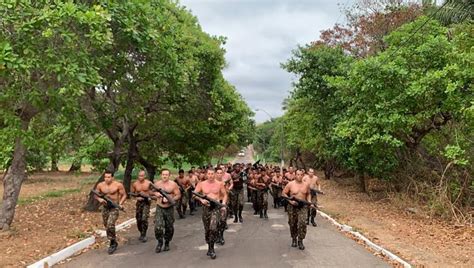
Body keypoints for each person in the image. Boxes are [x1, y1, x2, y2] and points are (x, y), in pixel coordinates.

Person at [193, 168, 228, 259]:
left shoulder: (219, 184)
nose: (210, 176)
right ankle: (209, 246)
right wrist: (201, 200)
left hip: (215, 208)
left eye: (212, 174)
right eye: (209, 174)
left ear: (215, 174)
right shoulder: (202, 184)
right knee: (207, 230)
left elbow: (224, 195)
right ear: (206, 174)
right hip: (206, 208)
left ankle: (212, 249)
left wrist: (223, 204)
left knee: (213, 228)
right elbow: (194, 194)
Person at [94, 171, 126, 254]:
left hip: (114, 207)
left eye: (109, 177)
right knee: (106, 226)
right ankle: (113, 240)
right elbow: (95, 194)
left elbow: (124, 195)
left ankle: (112, 242)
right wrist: (100, 199)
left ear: (112, 177)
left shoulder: (118, 185)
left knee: (110, 224)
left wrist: (121, 204)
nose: (107, 179)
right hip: (105, 208)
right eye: (105, 177)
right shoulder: (100, 185)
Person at [282, 169, 315, 250]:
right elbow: (284, 193)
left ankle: (300, 240)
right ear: (295, 175)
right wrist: (290, 201)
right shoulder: (290, 184)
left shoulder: (306, 185)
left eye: (301, 175)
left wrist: (309, 202)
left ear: (303, 175)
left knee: (302, 223)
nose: (299, 176)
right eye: (297, 174)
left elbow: (308, 194)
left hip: (302, 206)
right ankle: (294, 238)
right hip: (292, 206)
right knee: (292, 223)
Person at [152, 169, 181, 253]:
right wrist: (155, 194)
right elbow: (151, 192)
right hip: (160, 207)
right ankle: (160, 242)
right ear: (161, 175)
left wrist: (170, 199)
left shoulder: (173, 185)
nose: (164, 176)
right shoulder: (157, 184)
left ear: (169, 175)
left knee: (169, 227)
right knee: (158, 227)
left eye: (166, 174)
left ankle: (167, 242)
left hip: (169, 208)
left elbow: (178, 195)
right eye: (163, 174)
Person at [130, 170, 153, 242]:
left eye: (142, 176)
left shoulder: (149, 183)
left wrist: (149, 196)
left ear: (145, 176)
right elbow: (132, 193)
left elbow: (154, 192)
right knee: (138, 219)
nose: (140, 177)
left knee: (144, 218)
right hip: (139, 203)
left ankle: (144, 234)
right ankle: (141, 232)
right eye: (139, 176)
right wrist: (137, 197)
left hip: (146, 202)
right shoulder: (135, 184)